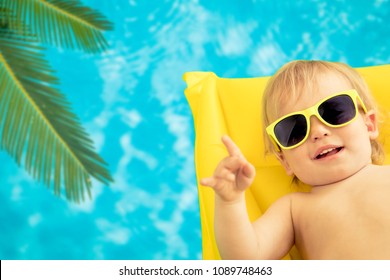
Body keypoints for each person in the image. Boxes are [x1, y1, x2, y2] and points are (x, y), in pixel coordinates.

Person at [200, 60, 390, 260]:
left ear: (369, 125)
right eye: (294, 129)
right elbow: (244, 261)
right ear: (285, 161)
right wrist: (230, 202)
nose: (318, 132)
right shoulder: (293, 210)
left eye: (334, 112)